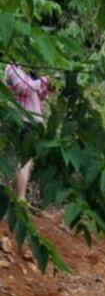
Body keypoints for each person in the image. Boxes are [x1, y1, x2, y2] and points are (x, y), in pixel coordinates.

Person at [4, 62, 52, 202]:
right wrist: (42, 81)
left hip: (34, 122)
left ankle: (17, 197)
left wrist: (48, 87)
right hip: (21, 120)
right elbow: (23, 88)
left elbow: (39, 96)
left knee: (27, 161)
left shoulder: (31, 71)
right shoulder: (12, 68)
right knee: (22, 161)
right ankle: (20, 199)